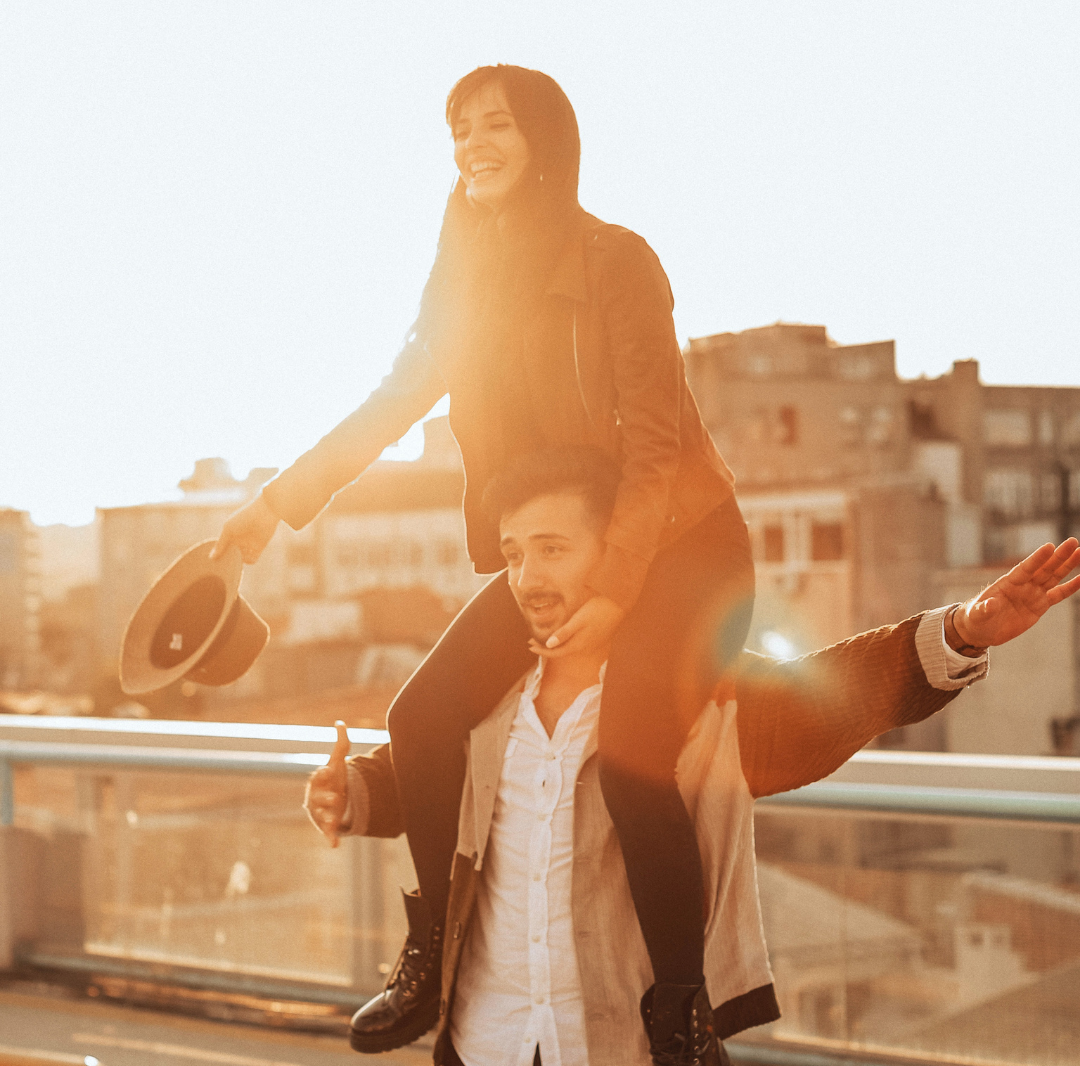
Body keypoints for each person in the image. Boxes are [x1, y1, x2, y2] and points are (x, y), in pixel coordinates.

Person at [213, 65, 755, 1058]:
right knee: (421, 715)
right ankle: (431, 955)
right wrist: (269, 510)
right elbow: (383, 409)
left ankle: (681, 1005)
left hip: (678, 542)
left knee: (634, 751)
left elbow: (654, 449)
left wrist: (620, 587)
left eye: (495, 124)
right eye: (458, 129)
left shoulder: (617, 260)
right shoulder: (465, 292)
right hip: (556, 547)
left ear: (547, 139)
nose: (472, 143)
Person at [305, 446, 1080, 1066]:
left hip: (622, 1048)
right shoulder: (483, 696)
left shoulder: (694, 697)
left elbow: (833, 696)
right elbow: (445, 789)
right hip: (484, 1040)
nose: (527, 576)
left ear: (618, 553)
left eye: (551, 548)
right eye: (512, 554)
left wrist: (962, 631)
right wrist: (357, 794)